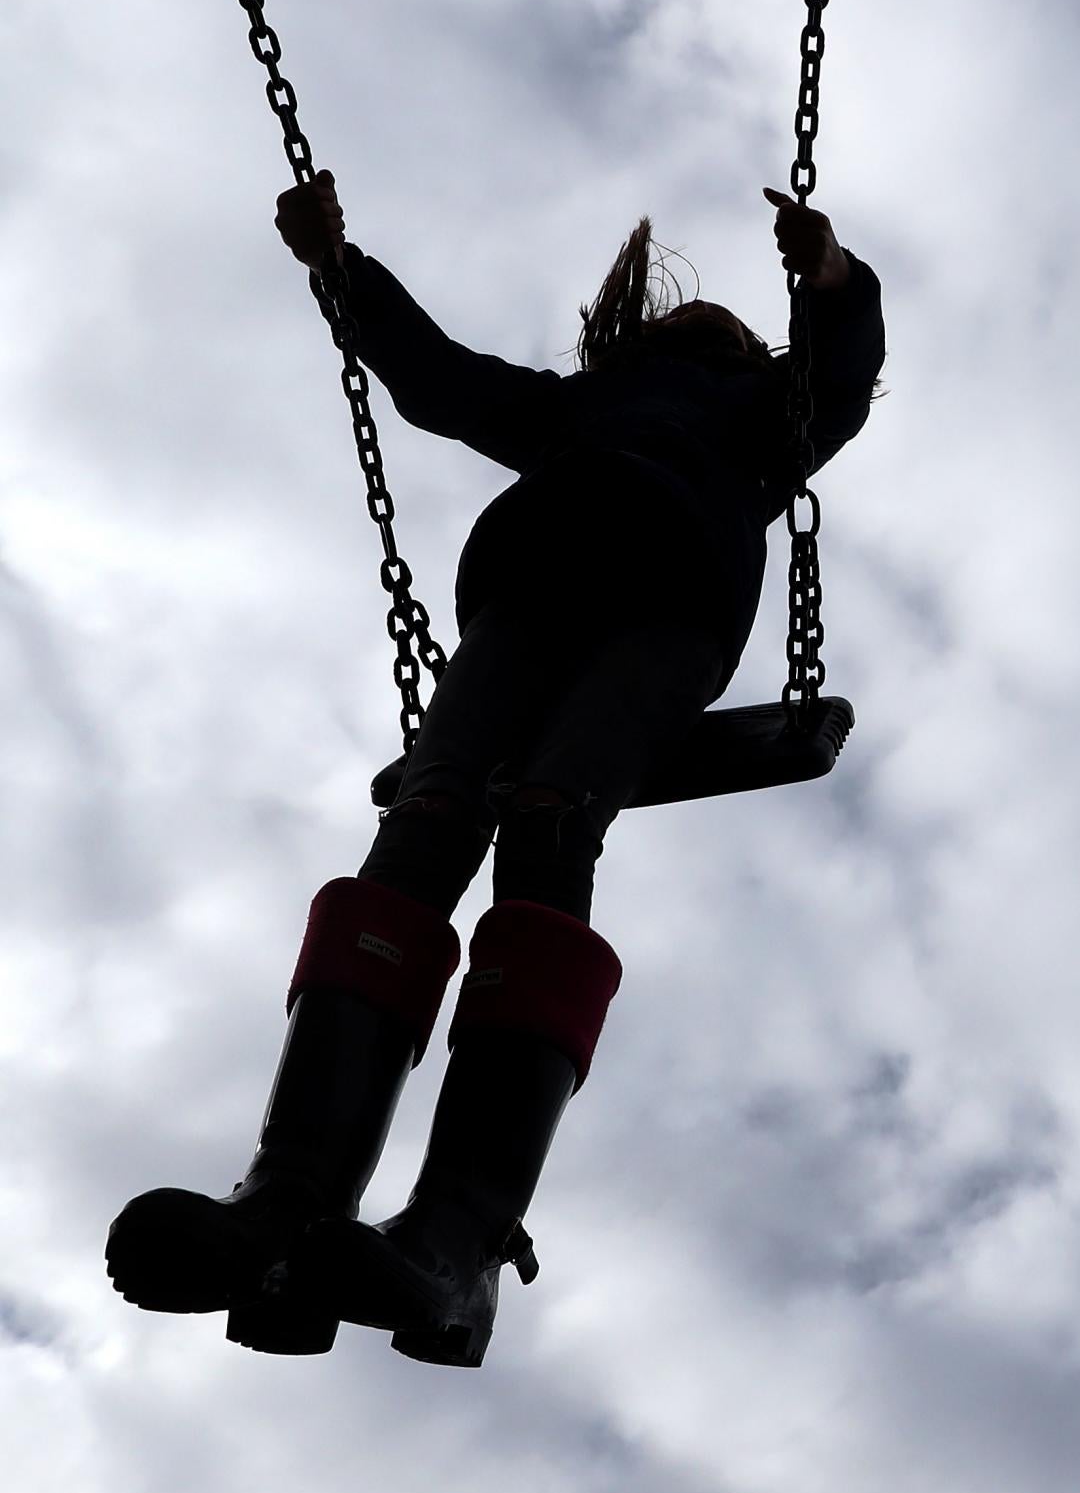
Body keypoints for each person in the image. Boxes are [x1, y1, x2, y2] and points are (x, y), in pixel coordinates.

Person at [105, 175, 884, 1368]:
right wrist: (339, 268)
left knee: (546, 820)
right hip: (526, 595)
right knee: (425, 818)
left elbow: (836, 381)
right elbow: (438, 380)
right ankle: (291, 1196)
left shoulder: (760, 416)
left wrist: (827, 279)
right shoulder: (575, 407)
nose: (704, 330)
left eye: (726, 329)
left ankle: (457, 1241)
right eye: (690, 323)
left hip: (668, 605)